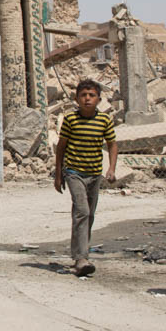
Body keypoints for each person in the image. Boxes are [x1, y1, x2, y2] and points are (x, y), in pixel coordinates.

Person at [54, 79, 118, 277]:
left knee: (88, 214)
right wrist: (58, 175)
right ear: (77, 99)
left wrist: (112, 169)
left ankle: (79, 255)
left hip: (94, 173)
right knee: (82, 211)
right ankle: (82, 258)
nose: (87, 99)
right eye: (83, 95)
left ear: (99, 99)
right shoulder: (71, 119)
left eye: (91, 96)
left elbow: (112, 144)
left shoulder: (104, 121)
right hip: (74, 172)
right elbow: (61, 147)